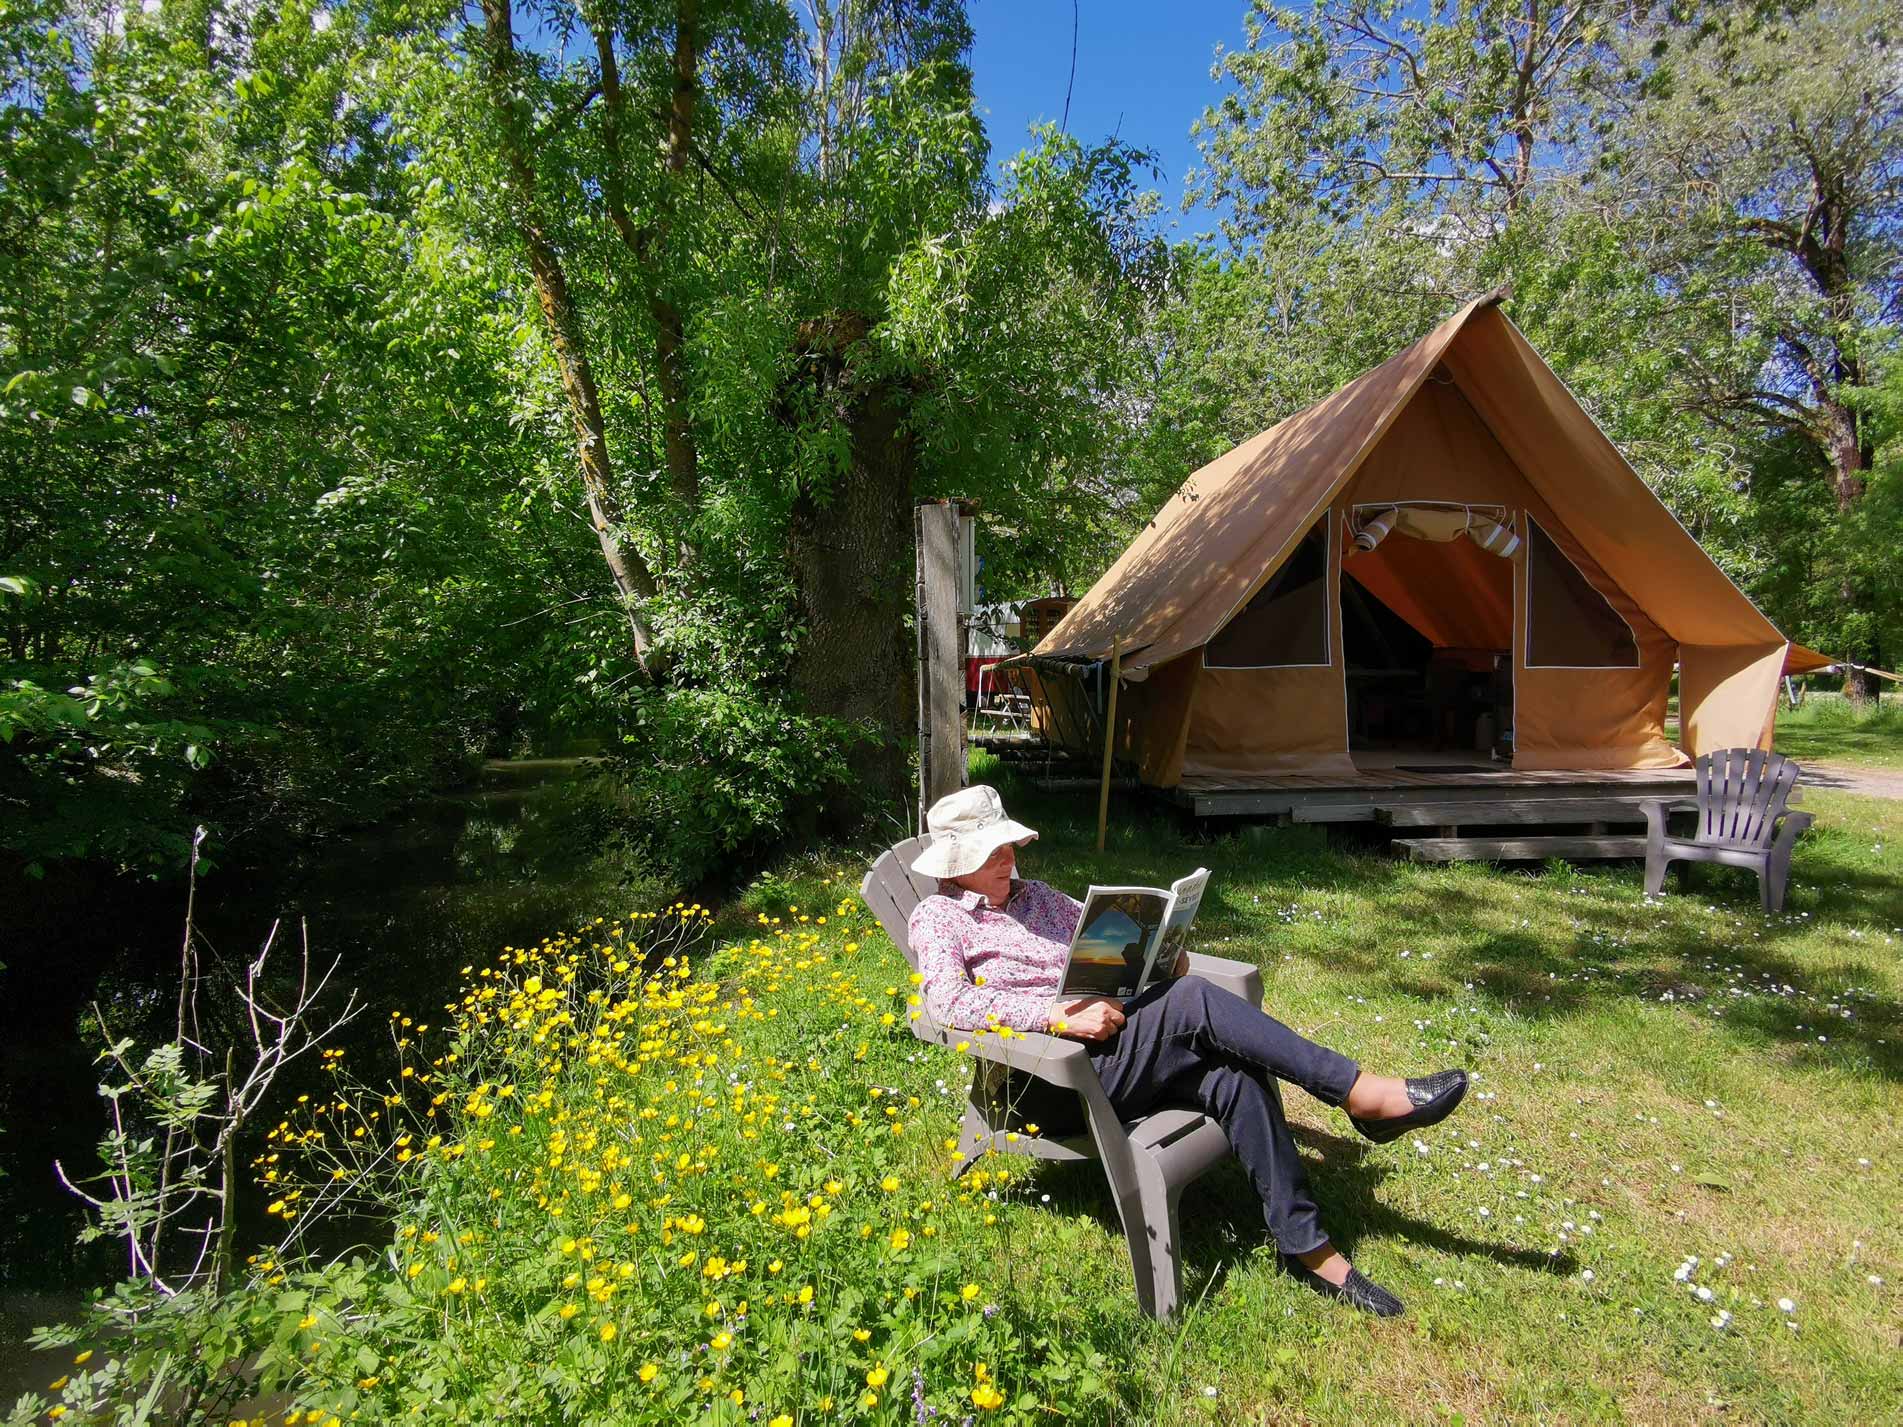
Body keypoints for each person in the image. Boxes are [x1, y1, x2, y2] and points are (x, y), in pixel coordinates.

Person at [906, 785, 1470, 1318]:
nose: (1007, 858)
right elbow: (947, 1003)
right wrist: (1052, 1015)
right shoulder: (938, 918)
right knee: (1196, 997)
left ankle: (1307, 1250)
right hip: (1048, 1081)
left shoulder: (1039, 899)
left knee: (1234, 1075)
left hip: (1116, 1048)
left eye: (1008, 845)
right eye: (991, 851)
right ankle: (1358, 1094)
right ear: (955, 863)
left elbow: (1104, 941)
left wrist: (1158, 950)